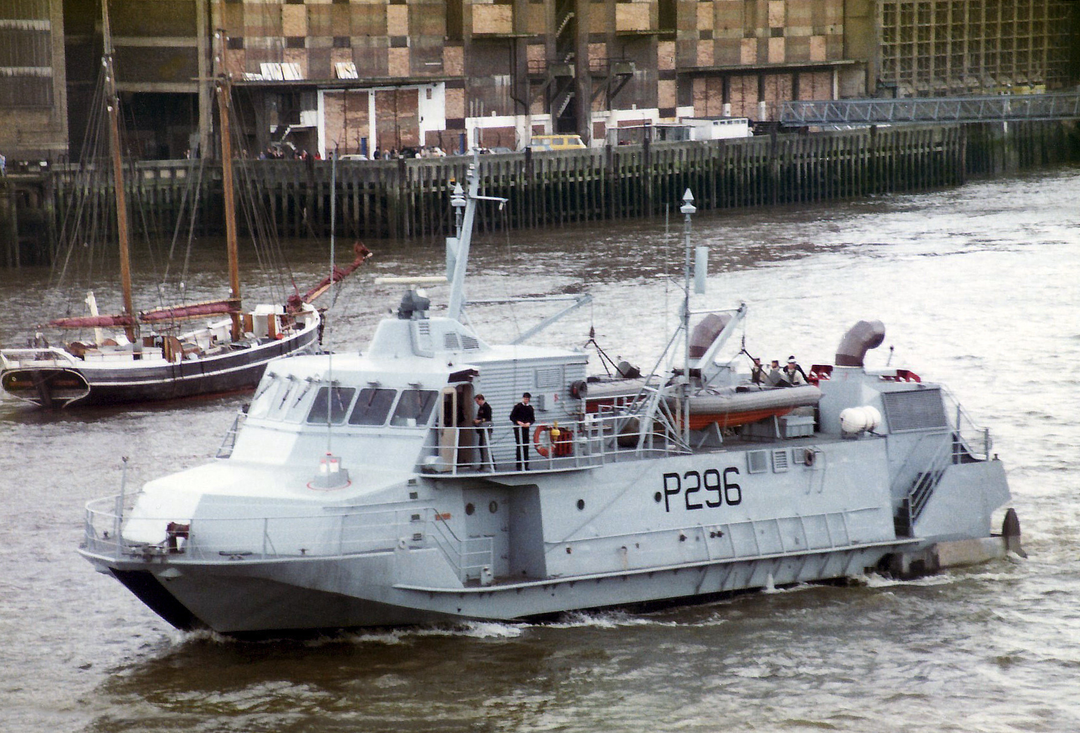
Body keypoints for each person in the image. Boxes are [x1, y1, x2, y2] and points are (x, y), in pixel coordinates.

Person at [509, 392, 535, 470]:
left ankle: (526, 465)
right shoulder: (518, 407)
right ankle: (519, 465)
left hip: (526, 429)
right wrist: (518, 422)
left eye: (527, 399)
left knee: (526, 445)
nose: (526, 400)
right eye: (525, 398)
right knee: (519, 445)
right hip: (518, 429)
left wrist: (529, 423)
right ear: (523, 398)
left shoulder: (530, 408)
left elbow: (533, 419)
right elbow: (512, 417)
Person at [473, 394, 493, 469]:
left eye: (477, 401)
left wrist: (480, 420)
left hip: (486, 429)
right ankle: (484, 463)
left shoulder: (487, 407)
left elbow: (488, 418)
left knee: (485, 446)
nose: (477, 403)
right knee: (482, 446)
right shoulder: (480, 408)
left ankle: (490, 463)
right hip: (481, 429)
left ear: (481, 399)